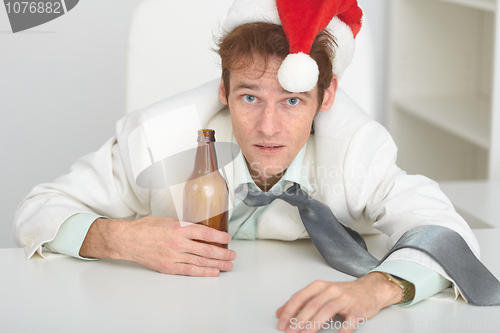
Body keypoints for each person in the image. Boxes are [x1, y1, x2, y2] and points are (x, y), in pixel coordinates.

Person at [13, 0, 487, 332]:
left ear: (328, 97)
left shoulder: (359, 153)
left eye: (293, 101)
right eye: (249, 97)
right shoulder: (157, 141)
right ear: (223, 91)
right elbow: (40, 208)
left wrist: (377, 289)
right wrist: (117, 236)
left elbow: (445, 229)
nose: (268, 126)